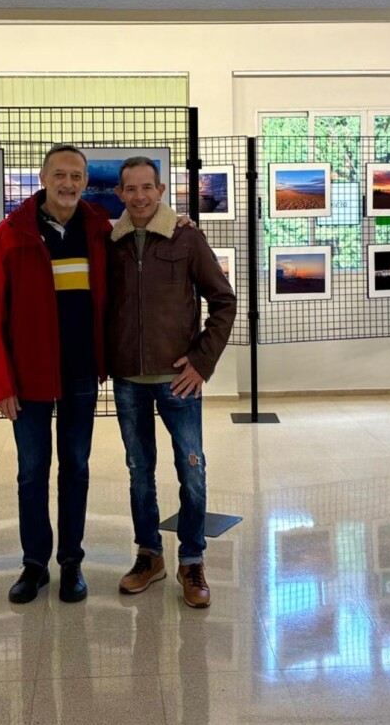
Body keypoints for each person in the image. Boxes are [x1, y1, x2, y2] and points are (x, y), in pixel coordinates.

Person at [0, 144, 110, 604]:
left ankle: (71, 561)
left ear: (85, 182)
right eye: (60, 175)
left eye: (76, 176)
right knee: (31, 473)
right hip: (29, 378)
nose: (68, 184)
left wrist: (180, 221)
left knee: (75, 468)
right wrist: (1, 384)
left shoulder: (99, 230)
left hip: (80, 375)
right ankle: (35, 564)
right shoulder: (10, 235)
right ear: (43, 178)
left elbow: (147, 234)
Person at [107, 156, 236, 608]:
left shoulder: (186, 237)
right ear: (120, 194)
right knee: (139, 472)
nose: (139, 196)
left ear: (161, 190)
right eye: (130, 189)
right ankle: (149, 556)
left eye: (147, 187)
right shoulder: (112, 241)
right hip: (128, 381)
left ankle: (192, 560)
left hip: (179, 381)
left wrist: (201, 361)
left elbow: (224, 301)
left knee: (192, 470)